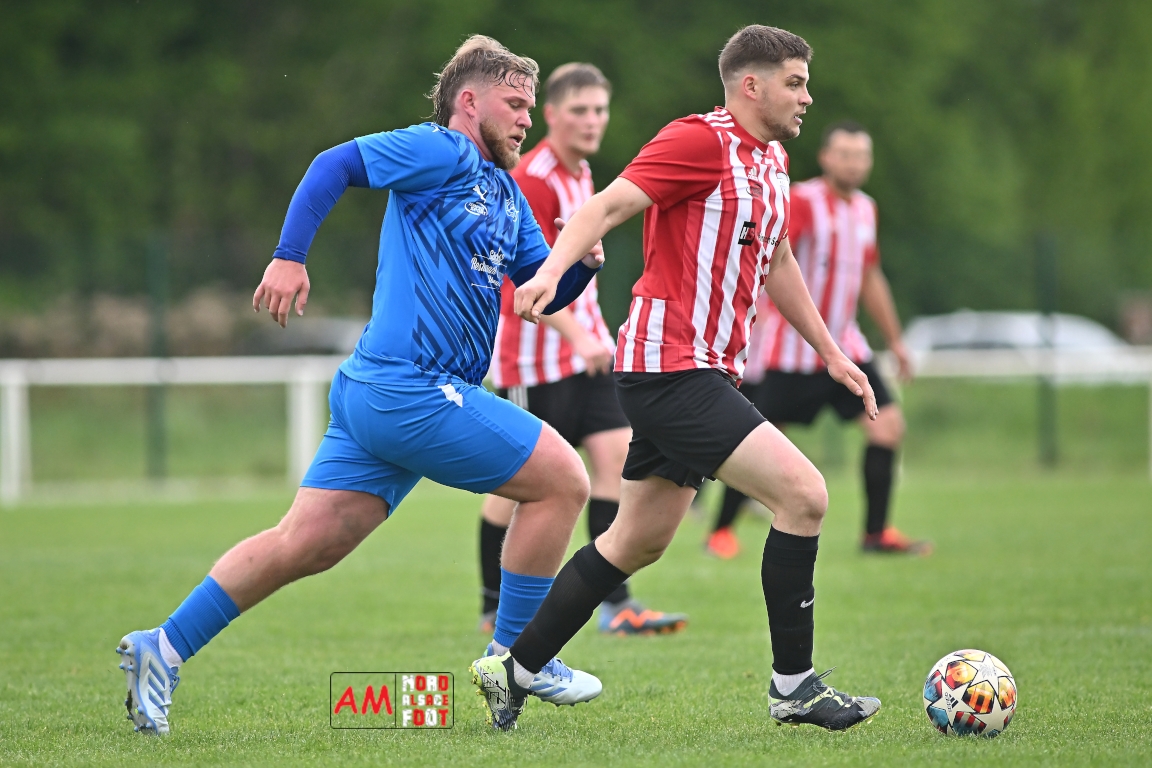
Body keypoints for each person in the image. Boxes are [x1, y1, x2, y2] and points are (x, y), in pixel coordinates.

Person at [115, 35, 606, 736]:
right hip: (410, 387)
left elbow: (538, 291)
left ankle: (160, 648)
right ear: (469, 103)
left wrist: (580, 263)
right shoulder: (442, 149)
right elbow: (334, 164)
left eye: (531, 106)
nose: (528, 118)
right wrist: (289, 256)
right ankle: (517, 659)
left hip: (383, 394)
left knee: (305, 544)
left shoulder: (503, 190)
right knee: (563, 480)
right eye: (515, 103)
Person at [472, 24, 882, 732]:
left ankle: (514, 667)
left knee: (637, 540)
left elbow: (778, 261)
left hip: (702, 372)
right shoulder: (697, 140)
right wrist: (547, 274)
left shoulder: (773, 161)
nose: (806, 97)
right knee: (804, 495)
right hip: (670, 368)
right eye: (794, 83)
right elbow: (605, 207)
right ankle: (794, 687)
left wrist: (831, 352)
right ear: (750, 85)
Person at [480, 62, 687, 638]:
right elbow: (522, 283)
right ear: (551, 115)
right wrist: (579, 335)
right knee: (515, 488)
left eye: (599, 110)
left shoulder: (586, 174)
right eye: (580, 110)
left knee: (616, 463)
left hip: (588, 357)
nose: (592, 121)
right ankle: (493, 605)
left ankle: (615, 604)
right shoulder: (534, 177)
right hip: (534, 360)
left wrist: (595, 336)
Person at [706, 120, 931, 558]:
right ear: (825, 157)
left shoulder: (866, 209)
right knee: (757, 439)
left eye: (861, 155)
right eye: (844, 154)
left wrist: (895, 341)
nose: (854, 163)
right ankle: (721, 531)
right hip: (794, 350)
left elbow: (870, 276)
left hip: (847, 348)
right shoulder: (804, 201)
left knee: (887, 426)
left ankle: (876, 534)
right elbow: (771, 261)